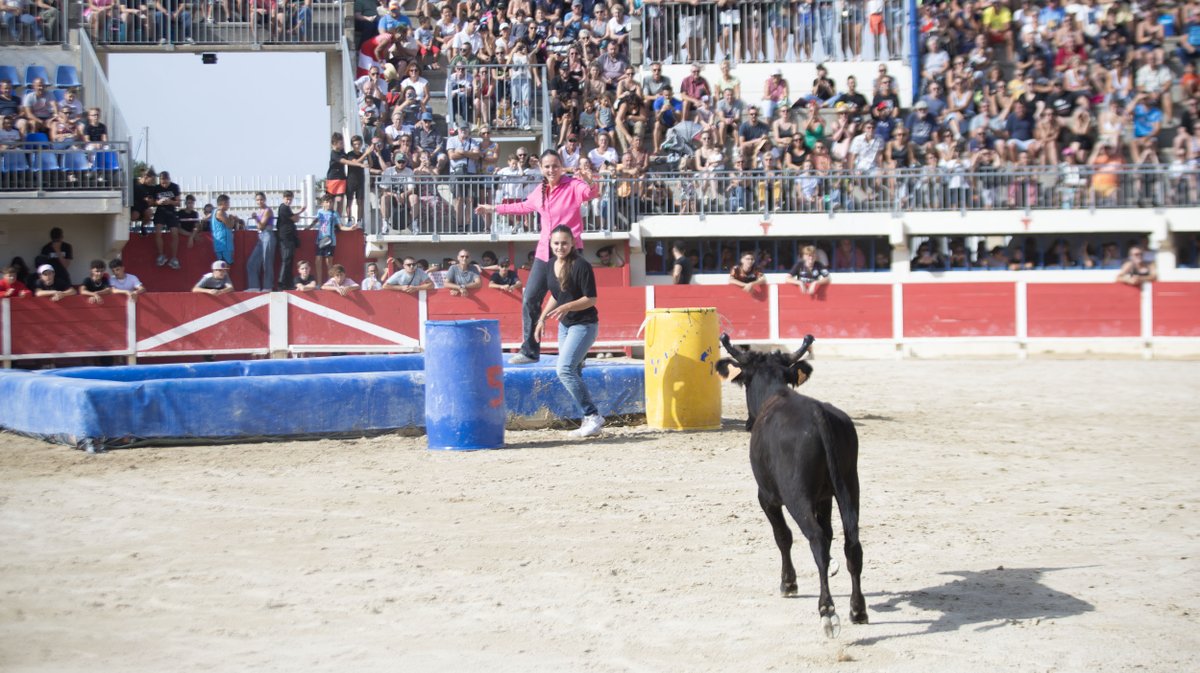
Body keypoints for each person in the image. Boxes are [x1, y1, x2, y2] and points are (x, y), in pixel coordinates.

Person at [474, 151, 600, 364]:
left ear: (562, 166)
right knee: (530, 297)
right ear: (541, 169)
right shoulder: (539, 192)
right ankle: (530, 351)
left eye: (555, 166)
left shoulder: (573, 185)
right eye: (547, 167)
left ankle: (577, 353)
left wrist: (590, 180)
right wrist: (492, 208)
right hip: (545, 252)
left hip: (570, 252)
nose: (551, 170)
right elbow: (521, 207)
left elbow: (591, 193)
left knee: (571, 300)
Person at [537, 225, 604, 438]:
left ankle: (593, 416)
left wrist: (567, 307)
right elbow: (557, 295)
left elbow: (591, 299)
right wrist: (542, 318)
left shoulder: (581, 265)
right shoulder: (550, 266)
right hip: (565, 325)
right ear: (550, 244)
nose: (560, 247)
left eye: (564, 243)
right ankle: (588, 421)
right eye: (556, 243)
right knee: (573, 371)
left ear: (573, 243)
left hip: (584, 325)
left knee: (564, 369)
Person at [152, 170, 183, 269]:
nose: (164, 184)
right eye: (162, 182)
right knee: (158, 232)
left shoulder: (174, 187)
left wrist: (170, 201)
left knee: (174, 233)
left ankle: (174, 258)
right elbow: (153, 202)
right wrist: (158, 202)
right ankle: (161, 255)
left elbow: (178, 203)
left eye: (165, 182)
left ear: (169, 179)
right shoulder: (156, 188)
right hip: (160, 211)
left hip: (171, 211)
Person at [246, 191, 276, 292]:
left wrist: (255, 218)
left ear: (265, 200)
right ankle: (254, 286)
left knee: (267, 262)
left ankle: (267, 287)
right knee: (251, 263)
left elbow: (261, 225)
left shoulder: (267, 210)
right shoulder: (260, 211)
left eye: (261, 199)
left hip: (267, 234)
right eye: (258, 200)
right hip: (261, 236)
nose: (259, 202)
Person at [275, 190, 305, 291]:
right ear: (284, 198)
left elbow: (293, 217)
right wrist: (301, 211)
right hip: (285, 238)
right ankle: (281, 283)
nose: (288, 201)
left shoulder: (286, 208)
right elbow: (295, 219)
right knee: (286, 260)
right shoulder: (283, 207)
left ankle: (287, 283)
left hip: (289, 238)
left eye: (290, 199)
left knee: (289, 261)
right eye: (287, 199)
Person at [209, 194, 241, 264]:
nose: (229, 205)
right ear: (223, 203)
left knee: (224, 266)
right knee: (225, 267)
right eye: (228, 203)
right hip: (224, 245)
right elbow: (229, 226)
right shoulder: (220, 212)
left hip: (223, 244)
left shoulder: (216, 212)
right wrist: (232, 218)